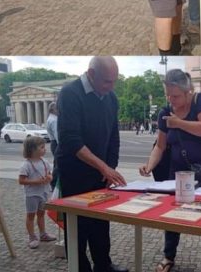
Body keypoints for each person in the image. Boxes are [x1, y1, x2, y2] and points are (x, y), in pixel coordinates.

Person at [139, 69, 201, 272]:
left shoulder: (200, 100)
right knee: (172, 217)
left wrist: (178, 123)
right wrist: (149, 165)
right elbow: (160, 146)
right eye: (168, 95)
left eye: (175, 95)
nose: (171, 100)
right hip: (177, 173)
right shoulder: (165, 112)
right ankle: (168, 256)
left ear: (188, 92)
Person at [56, 56, 127, 272]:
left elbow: (114, 137)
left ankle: (103, 265)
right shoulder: (70, 93)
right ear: (91, 74)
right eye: (107, 81)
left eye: (114, 81)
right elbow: (71, 141)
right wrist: (103, 167)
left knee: (100, 223)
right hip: (74, 173)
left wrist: (109, 169)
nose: (111, 86)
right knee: (77, 226)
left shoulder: (111, 98)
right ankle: (79, 267)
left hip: (100, 173)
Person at [19, 136, 56, 249]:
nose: (45, 149)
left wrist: (49, 177)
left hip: (43, 193)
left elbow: (50, 174)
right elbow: (21, 180)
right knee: (31, 215)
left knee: (41, 214)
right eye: (42, 147)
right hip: (32, 194)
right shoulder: (26, 165)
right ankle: (32, 237)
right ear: (33, 150)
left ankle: (43, 234)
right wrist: (36, 181)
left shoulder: (45, 162)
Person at [45, 102, 58, 190]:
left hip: (53, 143)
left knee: (56, 164)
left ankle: (53, 183)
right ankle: (54, 184)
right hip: (56, 143)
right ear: (54, 109)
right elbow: (58, 135)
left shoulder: (51, 118)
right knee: (58, 165)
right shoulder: (54, 120)